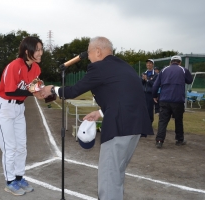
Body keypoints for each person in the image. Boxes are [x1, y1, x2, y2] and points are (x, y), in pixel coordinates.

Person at [40, 36, 153, 200]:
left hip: (118, 128)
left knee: (109, 178)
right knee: (116, 174)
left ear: (98, 51)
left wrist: (53, 89)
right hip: (135, 127)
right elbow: (124, 97)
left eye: (89, 53)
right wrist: (100, 113)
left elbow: (72, 91)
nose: (89, 58)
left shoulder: (100, 67)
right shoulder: (124, 66)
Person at [0, 36, 44, 196]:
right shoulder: (14, 66)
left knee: (22, 145)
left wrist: (42, 91)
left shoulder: (36, 68)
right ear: (28, 51)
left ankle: (19, 177)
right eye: (38, 49)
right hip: (5, 108)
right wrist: (32, 93)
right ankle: (10, 181)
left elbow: (34, 88)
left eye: (41, 49)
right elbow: (9, 90)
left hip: (19, 109)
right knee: (10, 147)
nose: (41, 53)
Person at [152, 55, 193, 149]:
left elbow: (155, 85)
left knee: (162, 121)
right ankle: (179, 139)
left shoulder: (164, 70)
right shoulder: (183, 70)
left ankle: (159, 141)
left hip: (164, 99)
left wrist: (154, 96)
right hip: (178, 100)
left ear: (171, 62)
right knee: (178, 120)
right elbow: (189, 80)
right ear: (180, 62)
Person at [142, 59, 158, 123]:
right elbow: (141, 83)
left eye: (150, 63)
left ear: (153, 64)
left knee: (149, 109)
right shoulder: (143, 73)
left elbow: (155, 84)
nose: (148, 64)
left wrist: (147, 80)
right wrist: (143, 80)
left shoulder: (156, 75)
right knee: (143, 109)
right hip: (143, 93)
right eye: (147, 63)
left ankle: (150, 122)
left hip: (150, 94)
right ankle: (143, 123)